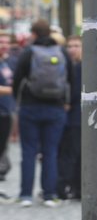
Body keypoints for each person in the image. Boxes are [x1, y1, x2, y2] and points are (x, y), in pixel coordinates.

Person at [12, 19, 70, 208]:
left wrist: (18, 101)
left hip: (30, 107)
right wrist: (65, 102)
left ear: (34, 34)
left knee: (28, 151)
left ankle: (26, 195)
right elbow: (71, 80)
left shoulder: (28, 52)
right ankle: (49, 194)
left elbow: (17, 79)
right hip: (55, 108)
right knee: (50, 152)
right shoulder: (61, 52)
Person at [57, 35, 83, 200]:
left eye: (76, 46)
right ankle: (73, 187)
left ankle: (66, 187)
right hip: (68, 117)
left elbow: (74, 93)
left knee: (71, 154)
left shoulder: (81, 68)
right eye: (69, 46)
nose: (72, 49)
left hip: (76, 117)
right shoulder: (68, 66)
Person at [0, 33, 15, 184]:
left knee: (3, 145)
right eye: (1, 42)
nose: (4, 45)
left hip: (6, 110)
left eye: (6, 42)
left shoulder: (7, 62)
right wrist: (13, 90)